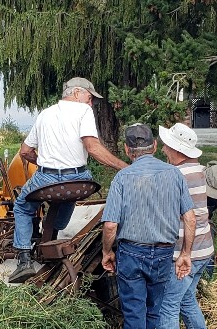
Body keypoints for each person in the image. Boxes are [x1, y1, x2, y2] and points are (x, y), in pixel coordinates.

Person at [9, 77, 128, 283]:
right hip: (79, 178)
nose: (90, 103)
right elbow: (92, 147)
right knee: (69, 194)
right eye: (89, 98)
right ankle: (53, 236)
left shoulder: (44, 114)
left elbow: (25, 151)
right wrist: (125, 168)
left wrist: (44, 162)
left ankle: (24, 260)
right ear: (76, 93)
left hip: (46, 179)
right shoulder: (84, 111)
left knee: (21, 205)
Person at [101, 124, 195, 329]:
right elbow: (189, 217)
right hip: (163, 254)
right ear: (154, 146)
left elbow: (111, 224)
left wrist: (106, 253)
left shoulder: (122, 177)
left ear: (127, 150)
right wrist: (185, 253)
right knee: (154, 309)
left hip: (131, 253)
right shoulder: (175, 175)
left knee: (134, 312)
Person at [157, 124, 215, 329]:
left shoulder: (175, 175)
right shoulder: (200, 171)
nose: (163, 149)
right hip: (205, 248)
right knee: (187, 298)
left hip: (185, 252)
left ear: (177, 150)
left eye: (167, 145)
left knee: (168, 304)